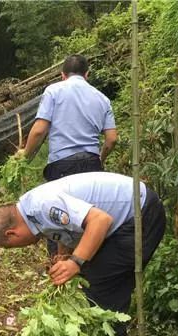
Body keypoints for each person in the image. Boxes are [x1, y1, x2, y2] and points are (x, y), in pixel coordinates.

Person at [0, 172, 166, 336]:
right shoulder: (29, 209)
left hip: (139, 216)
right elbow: (67, 227)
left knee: (103, 294)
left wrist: (76, 262)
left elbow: (100, 221)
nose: (20, 248)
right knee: (94, 283)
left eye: (13, 246)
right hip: (125, 217)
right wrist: (65, 255)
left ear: (12, 234)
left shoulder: (42, 206)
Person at [17, 55, 118, 256]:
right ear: (87, 75)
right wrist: (101, 158)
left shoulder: (53, 91)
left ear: (62, 75)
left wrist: (25, 155)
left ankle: (58, 267)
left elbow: (39, 130)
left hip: (61, 165)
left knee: (58, 219)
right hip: (91, 164)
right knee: (89, 218)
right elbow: (112, 139)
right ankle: (86, 265)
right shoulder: (102, 98)